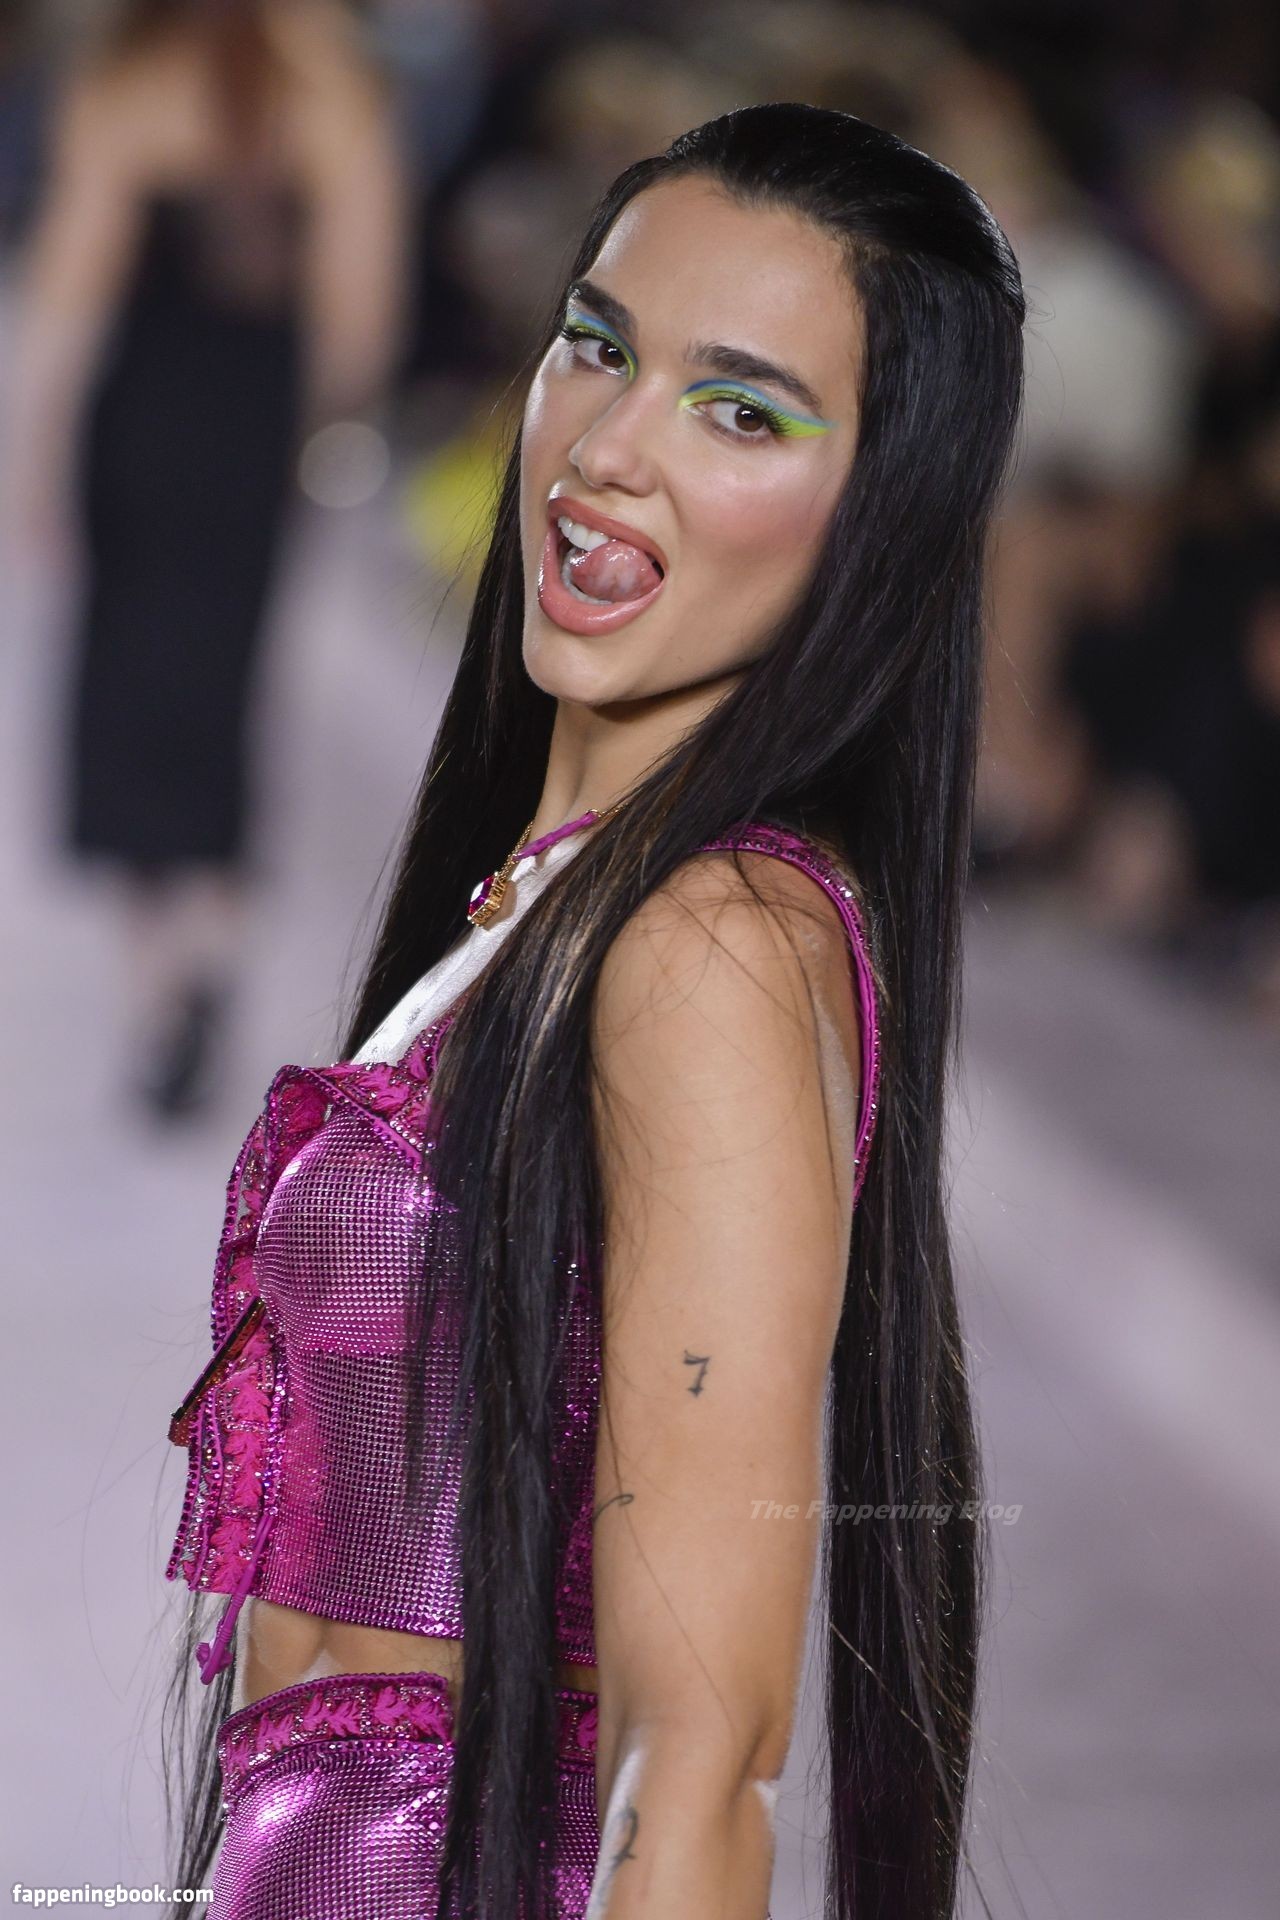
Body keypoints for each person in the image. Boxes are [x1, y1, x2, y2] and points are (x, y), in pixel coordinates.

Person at [158, 103, 1025, 1920]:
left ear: (881, 515)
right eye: (598, 346)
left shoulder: (708, 945)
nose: (609, 447)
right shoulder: (559, 901)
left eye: (742, 412)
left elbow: (697, 1752)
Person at [4, 0, 406, 1115]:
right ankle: (214, 943)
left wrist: (35, 453)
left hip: (141, 425)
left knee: (129, 695)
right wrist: (317, 425)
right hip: (250, 436)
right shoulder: (330, 81)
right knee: (222, 690)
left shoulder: (131, 76)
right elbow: (361, 303)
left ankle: (157, 982)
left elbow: (71, 286)